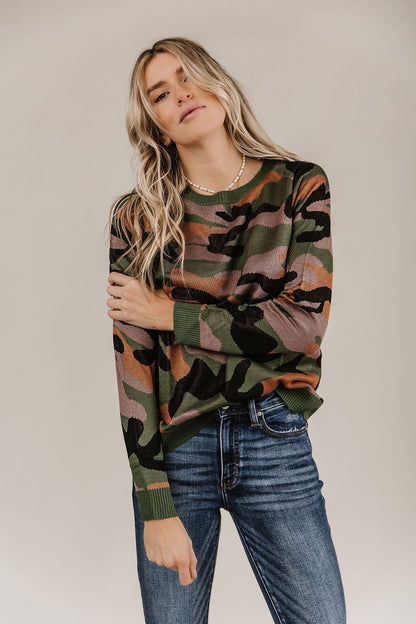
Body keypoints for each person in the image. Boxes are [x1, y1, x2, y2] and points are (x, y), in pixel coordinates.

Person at [106, 36, 346, 624]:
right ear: (157, 126)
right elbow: (134, 366)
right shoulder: (137, 218)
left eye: (188, 77)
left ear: (219, 84)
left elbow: (300, 327)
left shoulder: (299, 186)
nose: (181, 94)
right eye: (161, 93)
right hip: (177, 451)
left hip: (273, 435)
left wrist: (169, 315)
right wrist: (153, 499)